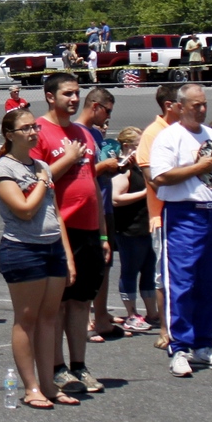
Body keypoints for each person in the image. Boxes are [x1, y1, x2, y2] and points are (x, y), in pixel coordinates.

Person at [0, 107, 77, 408]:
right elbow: (24, 210)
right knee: (26, 319)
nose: (32, 132)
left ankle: (49, 385)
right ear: (9, 134)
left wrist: (67, 255)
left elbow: (55, 213)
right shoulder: (4, 169)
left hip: (52, 248)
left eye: (34, 127)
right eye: (25, 128)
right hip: (23, 249)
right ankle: (31, 388)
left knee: (49, 318)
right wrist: (41, 181)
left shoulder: (42, 166)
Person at [29, 72, 107, 394]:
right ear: (50, 96)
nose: (74, 99)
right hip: (57, 230)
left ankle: (79, 365)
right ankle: (57, 367)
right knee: (57, 303)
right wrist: (68, 159)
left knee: (81, 301)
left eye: (77, 93)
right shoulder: (37, 131)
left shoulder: (83, 133)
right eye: (67, 94)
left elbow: (93, 184)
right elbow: (36, 181)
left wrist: (103, 234)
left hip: (89, 229)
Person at [150, 84, 212, 377]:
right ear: (180, 107)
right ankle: (179, 348)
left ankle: (203, 345)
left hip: (211, 212)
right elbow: (160, 177)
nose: (201, 110)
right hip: (182, 214)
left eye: (204, 104)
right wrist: (198, 167)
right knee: (181, 281)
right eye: (195, 105)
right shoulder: (169, 137)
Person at [136, 83, 184, 348]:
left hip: (189, 215)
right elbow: (154, 179)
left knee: (188, 274)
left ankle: (188, 328)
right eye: (182, 103)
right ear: (169, 105)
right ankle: (166, 329)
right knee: (164, 275)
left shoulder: (187, 132)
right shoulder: (153, 134)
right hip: (163, 216)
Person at [79, 87, 120, 341]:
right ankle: (83, 320)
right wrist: (104, 166)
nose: (108, 117)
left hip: (104, 206)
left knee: (105, 263)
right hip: (87, 209)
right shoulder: (78, 132)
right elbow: (79, 173)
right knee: (88, 266)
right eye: (107, 111)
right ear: (95, 106)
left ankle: (102, 316)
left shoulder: (95, 133)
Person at [110, 126, 155, 333]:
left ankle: (152, 312)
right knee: (130, 271)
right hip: (129, 230)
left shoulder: (141, 167)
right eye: (140, 145)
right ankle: (131, 314)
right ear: (128, 146)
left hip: (146, 227)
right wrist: (146, 193)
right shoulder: (123, 169)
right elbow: (116, 198)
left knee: (149, 270)